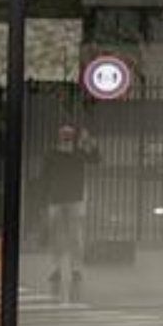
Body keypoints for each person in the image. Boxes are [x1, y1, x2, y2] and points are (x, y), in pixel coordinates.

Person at [39, 122, 99, 305]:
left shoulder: (78, 153)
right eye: (64, 134)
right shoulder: (52, 154)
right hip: (56, 200)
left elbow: (96, 159)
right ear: (59, 136)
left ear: (73, 137)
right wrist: (43, 201)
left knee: (75, 237)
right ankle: (56, 269)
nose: (66, 137)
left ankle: (75, 270)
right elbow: (44, 178)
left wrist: (90, 142)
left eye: (69, 134)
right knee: (57, 237)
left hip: (74, 199)